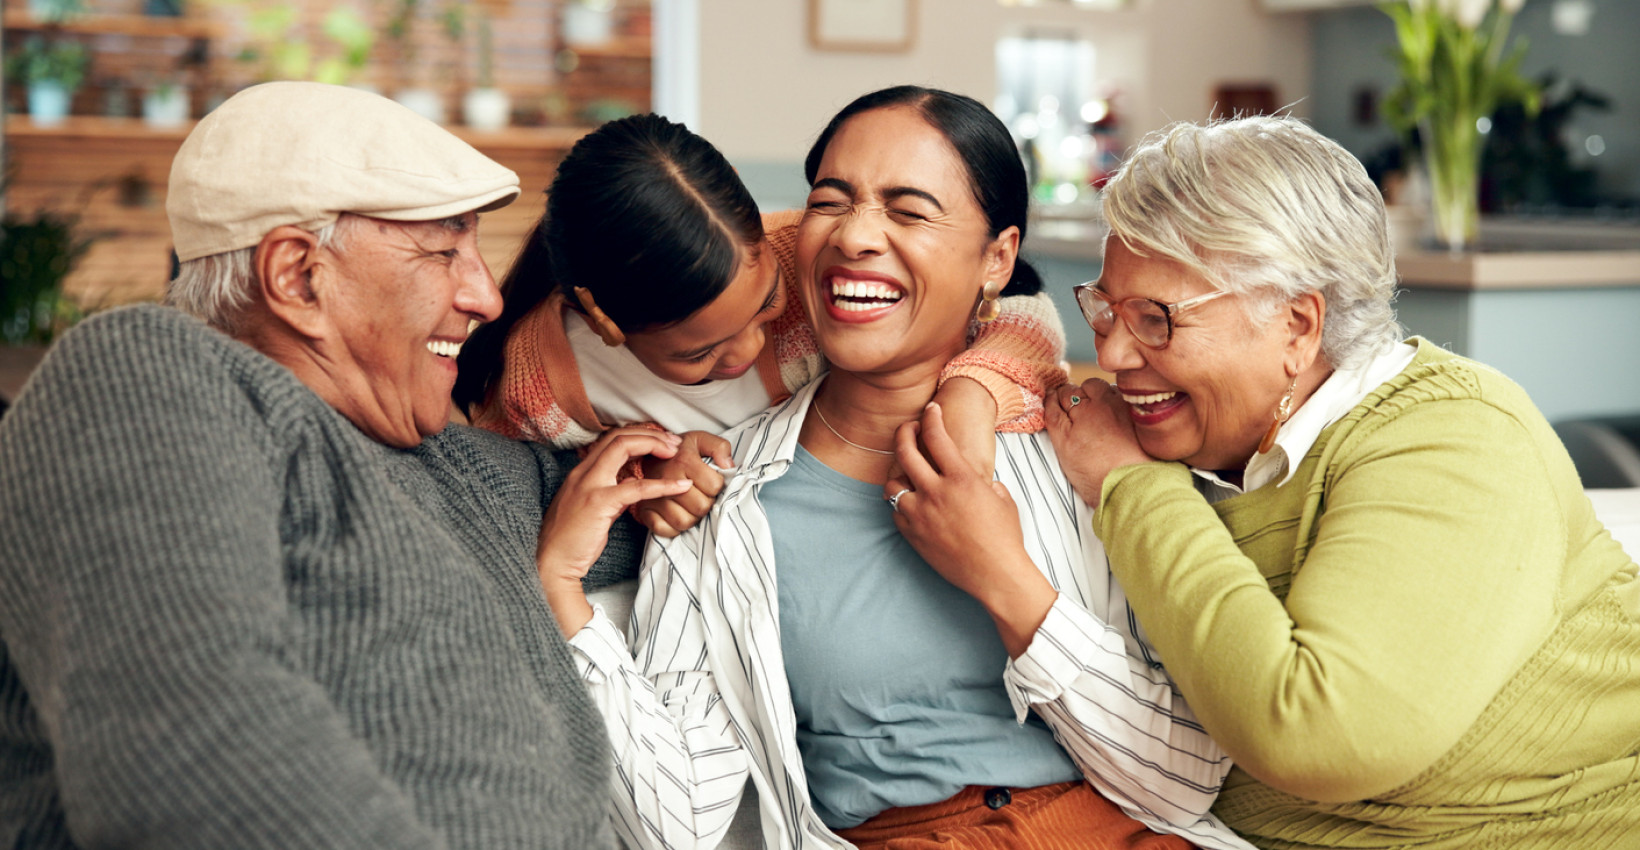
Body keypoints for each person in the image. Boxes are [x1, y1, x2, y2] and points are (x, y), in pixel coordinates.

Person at [540, 86, 1254, 850]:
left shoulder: (1089, 447)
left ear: (998, 259)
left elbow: (1182, 778)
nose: (855, 237)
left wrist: (1002, 576)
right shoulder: (714, 498)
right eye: (830, 201)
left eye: (908, 211)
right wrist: (557, 586)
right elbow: (673, 823)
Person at [0, 82, 690, 849]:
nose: (487, 296)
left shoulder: (455, 465)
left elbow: (695, 518)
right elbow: (196, 765)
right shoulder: (146, 378)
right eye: (445, 249)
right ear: (298, 277)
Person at [1006, 115, 1636, 847]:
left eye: (1155, 319)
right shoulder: (1199, 440)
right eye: (1106, 309)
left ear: (1299, 326)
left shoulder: (1458, 434)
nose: (1110, 352)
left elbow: (1320, 731)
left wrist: (1134, 488)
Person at [453, 112, 1065, 537]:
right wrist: (646, 475)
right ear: (604, 320)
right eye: (699, 352)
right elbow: (548, 493)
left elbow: (1017, 301)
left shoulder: (809, 253)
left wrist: (975, 389)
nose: (748, 348)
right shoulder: (541, 386)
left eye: (766, 303)